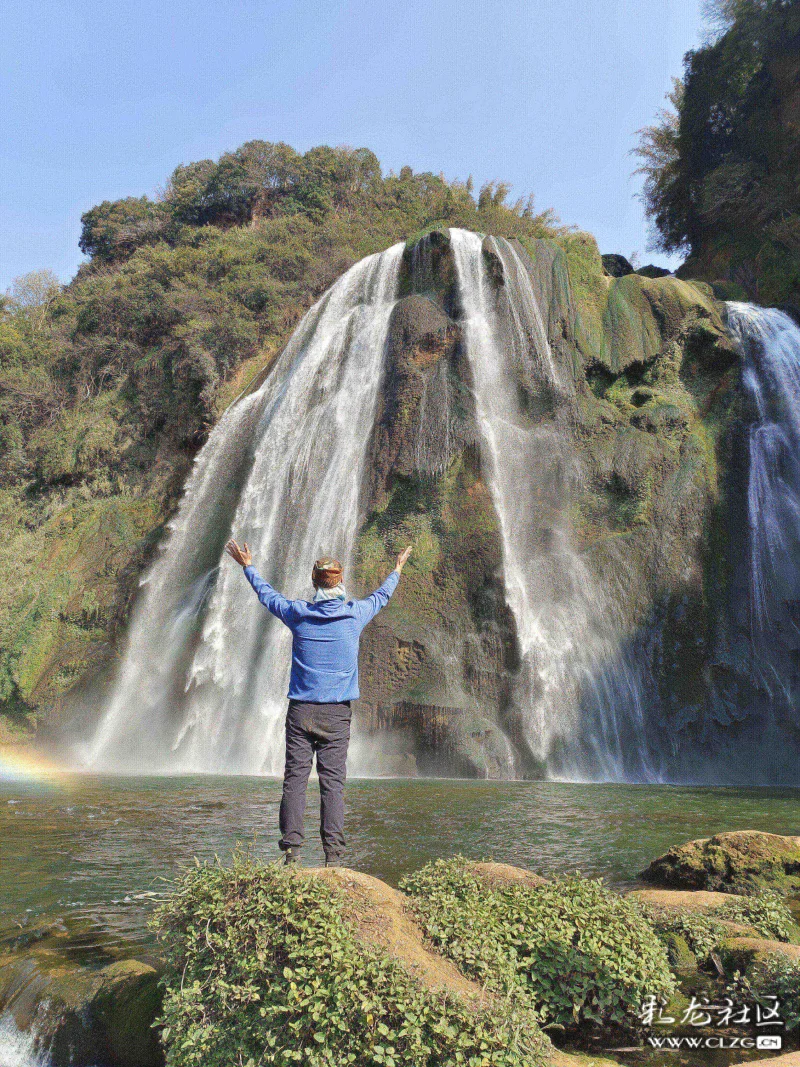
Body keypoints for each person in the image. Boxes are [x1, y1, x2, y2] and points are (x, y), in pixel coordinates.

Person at [224, 538, 413, 867]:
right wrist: (396, 570)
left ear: (314, 582)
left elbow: (268, 596)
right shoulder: (354, 615)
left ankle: (291, 854)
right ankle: (334, 858)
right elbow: (381, 597)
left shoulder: (298, 614)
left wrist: (248, 567)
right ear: (341, 582)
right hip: (337, 714)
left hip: (301, 711)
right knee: (333, 783)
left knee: (295, 779)